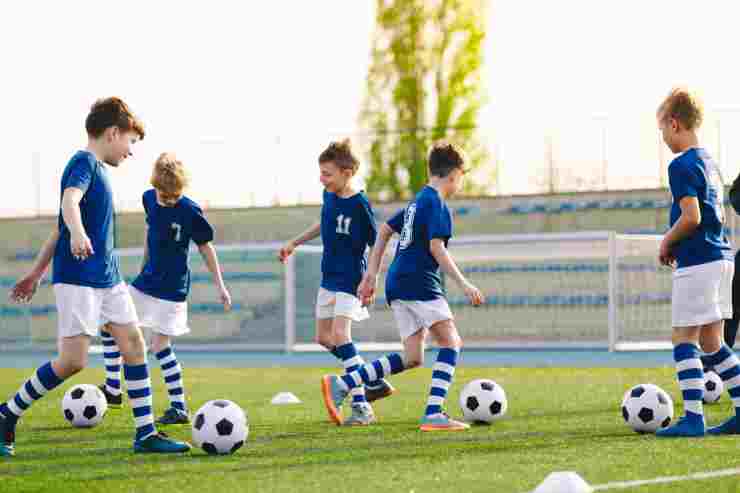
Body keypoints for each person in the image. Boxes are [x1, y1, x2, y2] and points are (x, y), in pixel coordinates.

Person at [2, 98, 191, 455]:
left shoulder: (99, 171)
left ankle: (146, 434)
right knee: (73, 361)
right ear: (112, 133)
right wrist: (78, 233)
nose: (131, 151)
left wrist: (36, 271)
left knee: (134, 346)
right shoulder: (83, 162)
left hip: (109, 279)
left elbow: (59, 229)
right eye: (131, 142)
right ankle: (6, 414)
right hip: (79, 278)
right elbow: (68, 205)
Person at [321, 142, 484, 431]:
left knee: (412, 357)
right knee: (451, 342)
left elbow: (384, 229)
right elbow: (437, 248)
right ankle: (434, 412)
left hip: (398, 281)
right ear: (455, 175)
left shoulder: (417, 201)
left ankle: (344, 382)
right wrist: (464, 283)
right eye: (462, 177)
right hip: (420, 281)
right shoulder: (437, 205)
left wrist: (372, 273)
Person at [99, 152, 231, 426]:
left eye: (174, 196)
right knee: (109, 324)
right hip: (147, 282)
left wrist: (221, 285)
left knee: (160, 346)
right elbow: (150, 233)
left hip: (173, 289)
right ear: (155, 186)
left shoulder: (191, 211)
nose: (169, 201)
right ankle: (113, 389)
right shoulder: (149, 199)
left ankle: (179, 407)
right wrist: (144, 264)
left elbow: (206, 247)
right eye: (164, 196)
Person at [279, 140, 394, 426]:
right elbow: (324, 223)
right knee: (324, 338)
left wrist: (372, 279)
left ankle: (361, 408)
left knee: (341, 335)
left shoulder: (359, 204)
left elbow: (376, 241)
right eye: (321, 173)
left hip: (350, 280)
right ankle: (370, 379)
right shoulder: (328, 196)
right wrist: (294, 241)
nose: (322, 178)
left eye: (327, 173)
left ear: (348, 172)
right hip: (328, 277)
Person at [655, 88, 740, 437]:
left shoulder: (681, 164)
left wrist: (667, 240)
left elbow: (690, 217)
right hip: (721, 258)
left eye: (662, 130)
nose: (662, 138)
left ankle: (693, 418)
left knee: (682, 339)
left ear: (674, 124)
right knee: (712, 341)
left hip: (699, 262)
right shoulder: (710, 162)